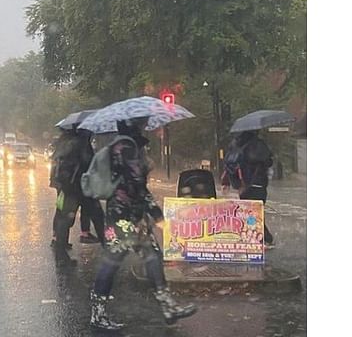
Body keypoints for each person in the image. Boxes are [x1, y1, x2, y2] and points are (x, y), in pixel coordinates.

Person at [90, 117, 196, 330]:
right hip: (123, 216)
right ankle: (98, 313)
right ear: (132, 124)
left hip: (130, 215)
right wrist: (155, 213)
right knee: (114, 261)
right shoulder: (125, 147)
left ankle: (167, 306)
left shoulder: (126, 145)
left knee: (151, 255)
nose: (146, 125)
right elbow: (136, 184)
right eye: (142, 123)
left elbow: (135, 183)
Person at [49, 128, 106, 266]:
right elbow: (88, 164)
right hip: (82, 188)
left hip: (67, 188)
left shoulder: (64, 142)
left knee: (64, 219)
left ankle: (61, 254)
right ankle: (109, 247)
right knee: (99, 217)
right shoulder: (81, 143)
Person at [221, 130, 275, 247]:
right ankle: (264, 238)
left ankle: (256, 236)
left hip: (242, 184)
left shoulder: (236, 145)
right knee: (255, 212)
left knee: (250, 212)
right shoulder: (259, 145)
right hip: (258, 184)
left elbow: (229, 165)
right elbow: (268, 162)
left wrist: (228, 182)